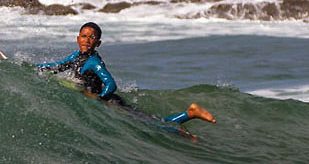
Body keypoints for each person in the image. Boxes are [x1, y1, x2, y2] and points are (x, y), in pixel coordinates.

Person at [36, 22, 217, 130]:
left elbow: (110, 84)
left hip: (113, 103)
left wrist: (100, 100)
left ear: (97, 43)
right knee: (150, 122)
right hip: (105, 101)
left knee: (153, 124)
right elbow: (59, 66)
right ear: (78, 39)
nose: (87, 40)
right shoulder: (76, 56)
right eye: (84, 36)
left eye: (91, 38)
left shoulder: (94, 62)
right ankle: (186, 117)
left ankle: (189, 114)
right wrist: (37, 67)